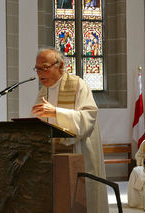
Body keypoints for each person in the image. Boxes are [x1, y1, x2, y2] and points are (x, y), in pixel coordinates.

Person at [31, 48, 108, 213]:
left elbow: (89, 116)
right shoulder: (43, 92)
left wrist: (57, 112)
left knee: (80, 200)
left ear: (60, 66)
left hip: (78, 150)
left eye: (45, 67)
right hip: (50, 155)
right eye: (37, 68)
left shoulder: (78, 85)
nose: (40, 73)